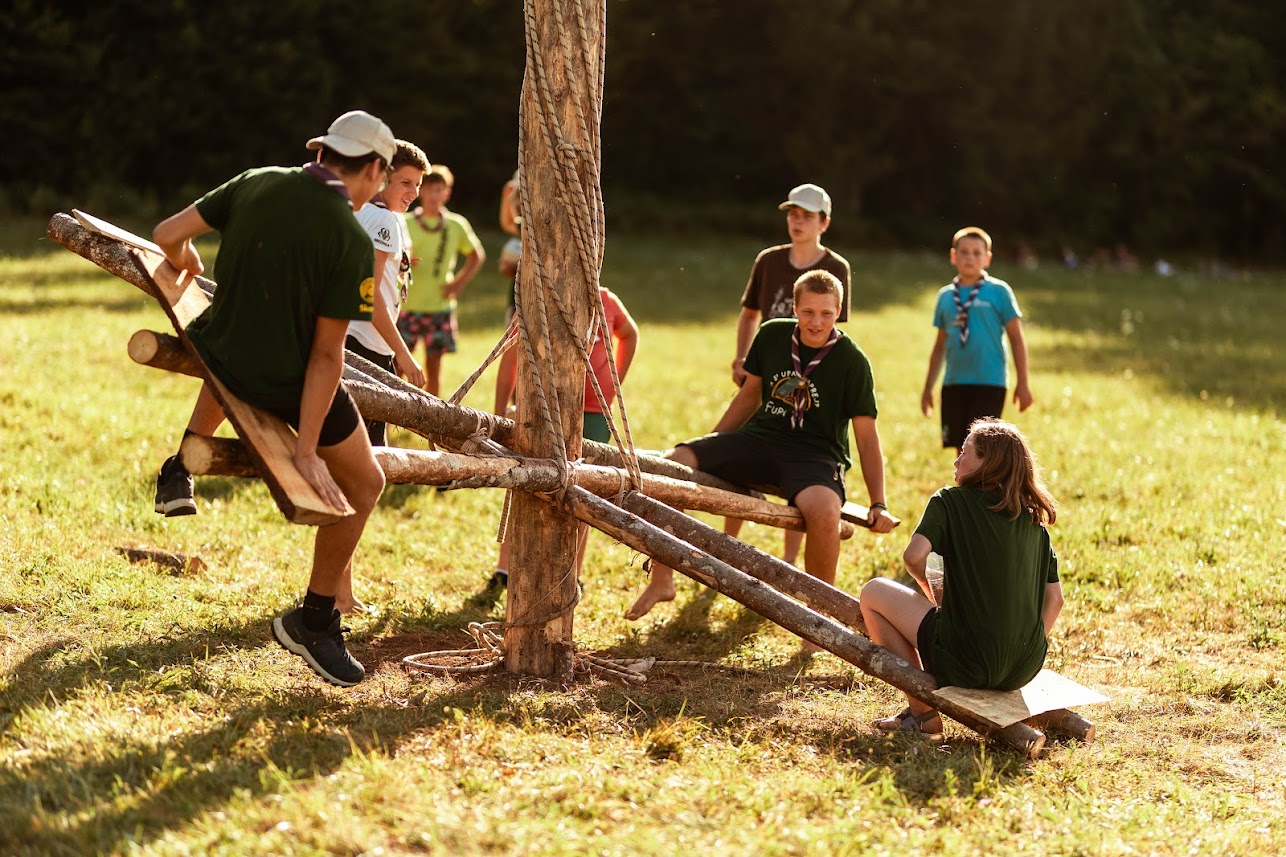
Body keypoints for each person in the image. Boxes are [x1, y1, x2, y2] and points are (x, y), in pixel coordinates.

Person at [150, 110, 393, 686]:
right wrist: (307, 450)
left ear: (324, 153)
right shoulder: (351, 239)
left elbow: (165, 237)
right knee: (366, 482)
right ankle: (314, 619)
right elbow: (326, 359)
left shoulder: (254, 179)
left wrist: (188, 263)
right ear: (375, 169)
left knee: (248, 346)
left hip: (220, 355)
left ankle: (177, 463)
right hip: (277, 380)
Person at [627, 270, 895, 623]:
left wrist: (878, 502)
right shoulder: (772, 335)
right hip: (760, 440)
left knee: (826, 512)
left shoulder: (853, 361)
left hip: (815, 455)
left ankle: (817, 618)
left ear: (839, 311)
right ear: (794, 308)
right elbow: (749, 396)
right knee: (676, 462)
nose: (816, 322)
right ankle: (662, 579)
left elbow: (866, 436)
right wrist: (712, 443)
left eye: (826, 313)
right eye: (808, 312)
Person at [859, 419, 1063, 739]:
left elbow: (914, 557)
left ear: (987, 461)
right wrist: (1020, 649)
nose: (956, 459)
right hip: (1022, 668)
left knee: (873, 592)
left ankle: (922, 716)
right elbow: (1055, 600)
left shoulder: (950, 501)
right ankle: (922, 712)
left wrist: (929, 591)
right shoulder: (1033, 520)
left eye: (965, 452)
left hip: (964, 661)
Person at [727, 183, 853, 567]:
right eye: (792, 214)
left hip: (806, 381)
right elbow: (750, 314)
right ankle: (726, 543)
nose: (797, 222)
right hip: (765, 371)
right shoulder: (769, 260)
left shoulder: (836, 268)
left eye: (807, 216)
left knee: (799, 465)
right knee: (737, 449)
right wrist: (742, 358)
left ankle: (788, 558)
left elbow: (836, 332)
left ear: (824, 222)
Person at [489, 286, 639, 590]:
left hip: (594, 413)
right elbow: (509, 358)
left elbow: (630, 333)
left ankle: (571, 573)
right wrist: (499, 414)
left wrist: (614, 380)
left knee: (585, 490)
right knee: (528, 483)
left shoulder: (606, 299)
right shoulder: (539, 296)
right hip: (543, 406)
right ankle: (507, 567)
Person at [345, 139, 431, 447]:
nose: (413, 193)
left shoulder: (362, 211)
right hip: (365, 343)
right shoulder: (383, 219)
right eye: (405, 183)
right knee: (369, 456)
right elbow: (368, 294)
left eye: (418, 185)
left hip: (350, 337)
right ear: (383, 177)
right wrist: (404, 356)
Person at [919, 226, 1032, 454]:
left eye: (976, 253)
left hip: (990, 381)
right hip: (954, 382)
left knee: (982, 448)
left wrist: (1023, 382)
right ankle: (965, 489)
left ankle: (985, 489)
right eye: (963, 252)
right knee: (960, 449)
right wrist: (928, 387)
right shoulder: (945, 297)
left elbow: (1017, 340)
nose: (969, 257)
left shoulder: (999, 292)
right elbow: (939, 346)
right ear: (953, 256)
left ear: (987, 258)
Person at [398, 165, 485, 397]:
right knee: (397, 367)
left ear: (446, 193)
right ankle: (392, 417)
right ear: (420, 192)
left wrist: (458, 283)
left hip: (439, 307)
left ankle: (434, 424)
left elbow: (477, 255)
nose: (434, 195)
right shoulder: (403, 222)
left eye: (439, 190)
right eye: (428, 189)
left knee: (433, 368)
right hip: (406, 307)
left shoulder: (455, 225)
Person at [493, 168, 522, 416]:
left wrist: (515, 266)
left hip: (532, 305)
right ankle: (512, 408)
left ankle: (520, 405)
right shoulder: (524, 227)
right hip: (517, 303)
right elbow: (508, 223)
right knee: (514, 358)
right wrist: (506, 198)